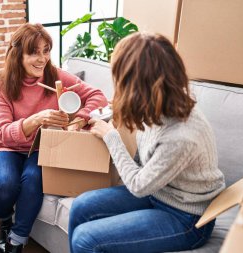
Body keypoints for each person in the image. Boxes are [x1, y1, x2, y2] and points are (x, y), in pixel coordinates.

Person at [68, 32, 226, 253]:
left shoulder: (181, 136)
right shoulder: (159, 101)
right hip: (160, 192)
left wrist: (111, 136)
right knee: (80, 206)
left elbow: (138, 186)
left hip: (186, 217)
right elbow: (145, 152)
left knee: (86, 239)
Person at [0, 23, 108, 253]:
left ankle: (16, 240)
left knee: (33, 179)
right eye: (33, 52)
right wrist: (37, 119)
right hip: (7, 146)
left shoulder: (56, 76)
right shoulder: (0, 85)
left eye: (46, 50)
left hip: (41, 146)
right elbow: (3, 132)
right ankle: (3, 222)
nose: (42, 59)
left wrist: (80, 119)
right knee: (6, 183)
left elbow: (98, 96)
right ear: (17, 54)